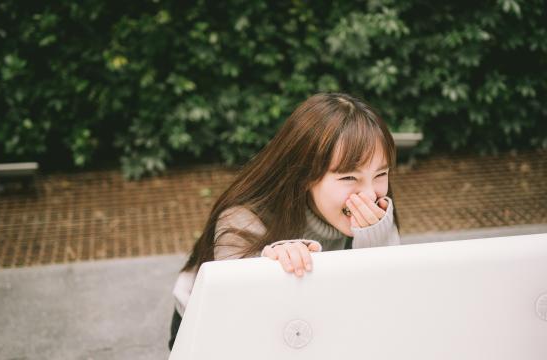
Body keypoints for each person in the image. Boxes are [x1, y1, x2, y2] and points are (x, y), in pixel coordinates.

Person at [168, 92, 400, 350]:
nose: (369, 194)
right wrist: (271, 266)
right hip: (204, 325)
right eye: (348, 178)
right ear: (305, 176)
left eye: (381, 174)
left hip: (307, 322)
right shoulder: (242, 217)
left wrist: (377, 239)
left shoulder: (379, 209)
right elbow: (241, 318)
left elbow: (387, 304)